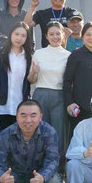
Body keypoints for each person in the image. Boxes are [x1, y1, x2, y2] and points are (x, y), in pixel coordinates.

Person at [28, 21, 71, 154]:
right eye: (51, 34)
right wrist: (34, 72)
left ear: (63, 35)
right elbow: (31, 80)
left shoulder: (68, 55)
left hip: (59, 96)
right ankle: (39, 162)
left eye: (58, 34)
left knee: (58, 131)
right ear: (46, 36)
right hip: (41, 94)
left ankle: (57, 163)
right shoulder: (39, 53)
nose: (55, 37)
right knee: (40, 130)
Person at [63, 22, 92, 148]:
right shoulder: (75, 55)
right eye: (88, 34)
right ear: (83, 36)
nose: (91, 37)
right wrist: (70, 103)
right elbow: (67, 81)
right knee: (79, 144)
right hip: (79, 107)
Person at [0, 22, 33, 130]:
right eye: (16, 34)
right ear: (11, 34)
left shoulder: (29, 57)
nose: (19, 38)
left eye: (23, 35)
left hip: (19, 105)